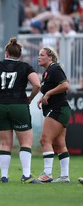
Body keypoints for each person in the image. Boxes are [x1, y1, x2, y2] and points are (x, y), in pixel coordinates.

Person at [0, 37, 41, 184]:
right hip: (19, 105)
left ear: (6, 53)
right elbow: (37, 85)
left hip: (1, 106)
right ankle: (26, 175)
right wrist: (30, 98)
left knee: (4, 143)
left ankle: (4, 176)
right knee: (26, 142)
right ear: (19, 54)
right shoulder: (25, 66)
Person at [36, 47, 72, 183]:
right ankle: (64, 176)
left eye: (42, 55)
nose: (39, 57)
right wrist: (44, 97)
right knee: (59, 143)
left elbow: (65, 85)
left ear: (50, 57)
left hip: (59, 109)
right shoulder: (47, 72)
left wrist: (48, 93)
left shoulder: (54, 69)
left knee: (45, 140)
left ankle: (47, 173)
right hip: (59, 108)